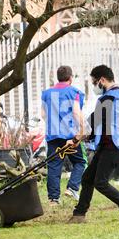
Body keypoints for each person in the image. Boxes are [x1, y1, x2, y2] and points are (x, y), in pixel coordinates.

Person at [67, 65, 119, 223]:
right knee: (87, 178)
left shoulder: (108, 98)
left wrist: (75, 139)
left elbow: (94, 121)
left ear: (102, 80)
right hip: (110, 145)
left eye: (94, 83)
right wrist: (85, 137)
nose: (95, 87)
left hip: (114, 147)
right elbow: (103, 124)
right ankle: (79, 215)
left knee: (100, 182)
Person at [41, 66, 87, 205]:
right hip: (70, 137)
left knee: (54, 166)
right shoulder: (75, 92)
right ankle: (72, 187)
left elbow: (43, 115)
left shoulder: (46, 93)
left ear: (58, 77)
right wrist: (82, 129)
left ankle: (54, 199)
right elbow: (76, 112)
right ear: (71, 78)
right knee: (80, 162)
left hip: (53, 136)